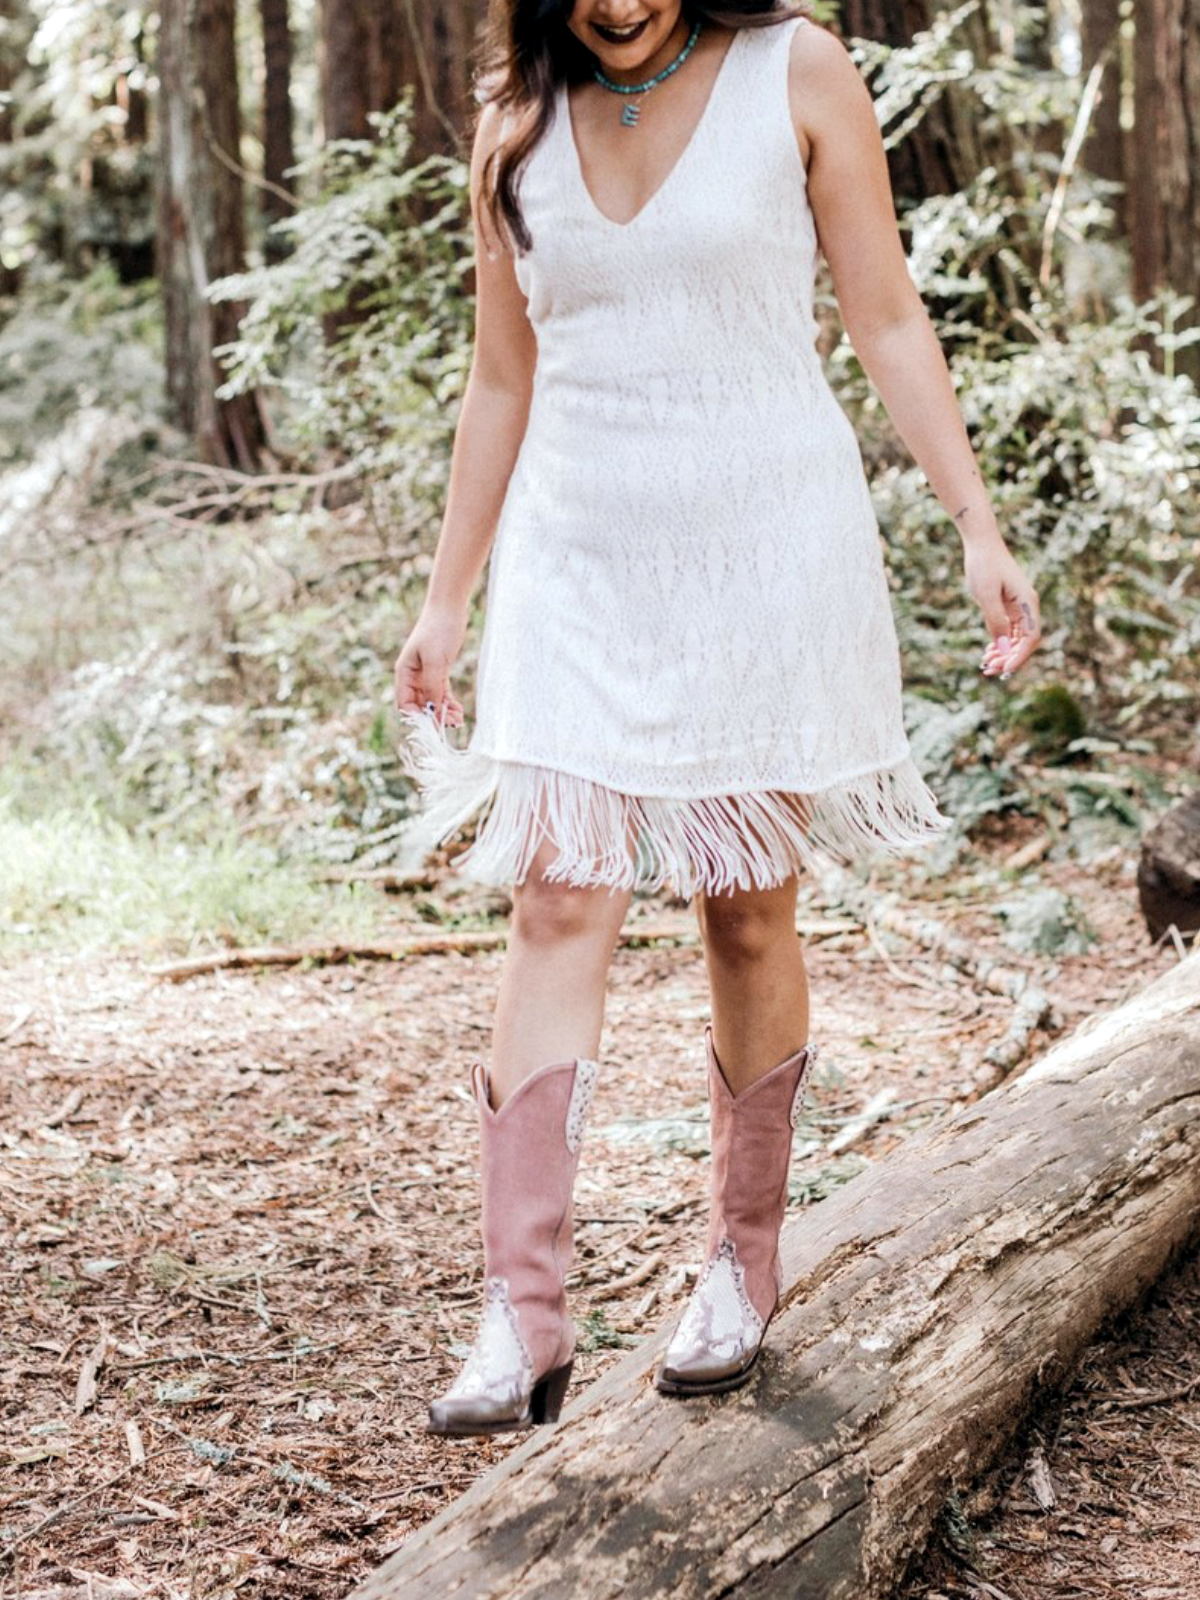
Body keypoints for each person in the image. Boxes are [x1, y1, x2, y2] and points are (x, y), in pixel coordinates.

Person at [393, 0, 1041, 1436]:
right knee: (560, 897)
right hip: (578, 555)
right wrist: (446, 601)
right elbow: (502, 379)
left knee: (747, 907)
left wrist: (976, 527)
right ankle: (522, 1314)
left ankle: (741, 1265)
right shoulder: (516, 118)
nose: (619, 4)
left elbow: (881, 314)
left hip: (763, 540)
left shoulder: (796, 70)